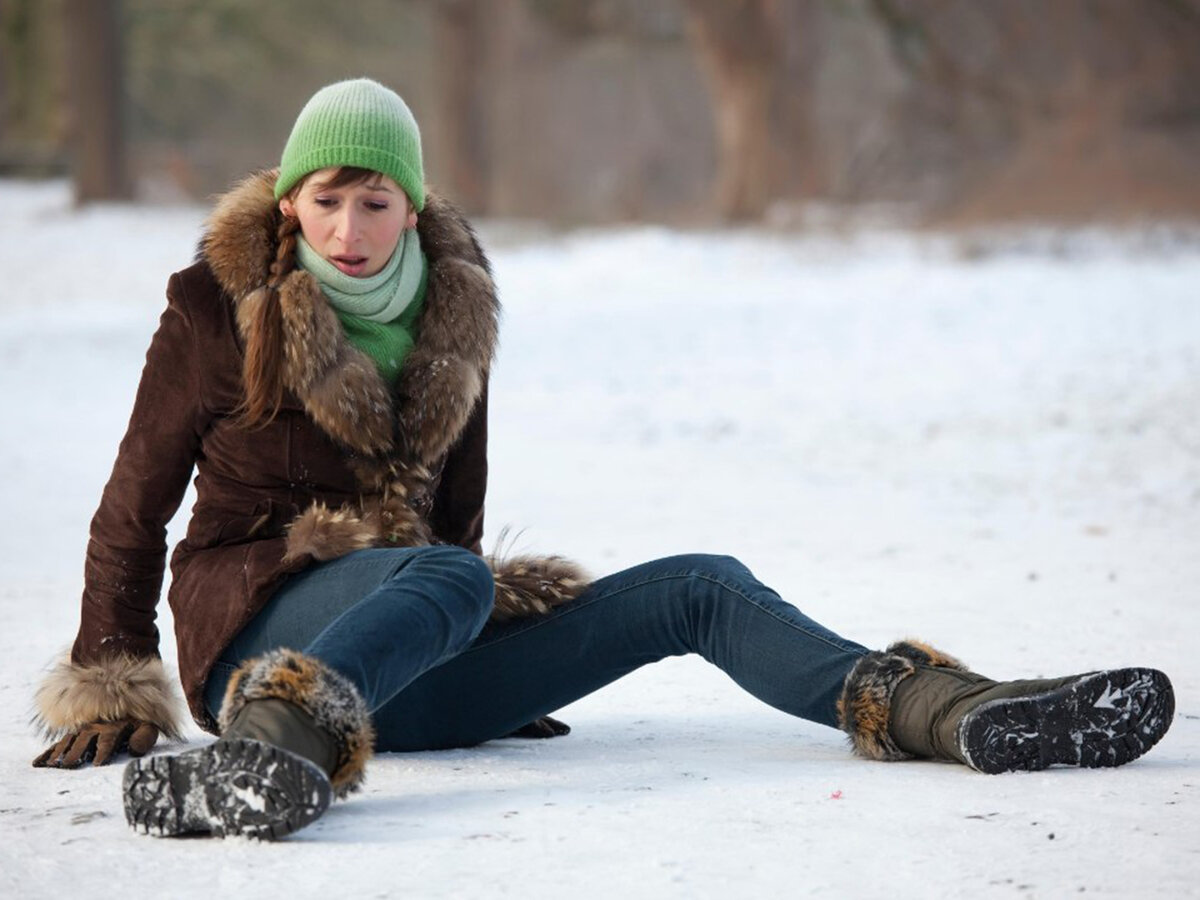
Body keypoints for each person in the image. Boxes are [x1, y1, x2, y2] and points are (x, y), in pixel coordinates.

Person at [31, 79, 1175, 841]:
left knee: (699, 585)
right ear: (289, 203)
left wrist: (482, 650)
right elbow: (133, 507)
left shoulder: (455, 315)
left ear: (410, 204)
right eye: (325, 200)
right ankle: (269, 758)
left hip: (402, 672)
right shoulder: (210, 308)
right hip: (259, 640)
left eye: (373, 200)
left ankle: (950, 711)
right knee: (455, 576)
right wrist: (114, 678)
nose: (348, 228)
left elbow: (452, 520)